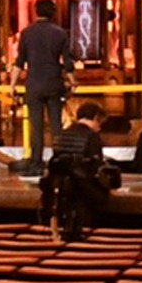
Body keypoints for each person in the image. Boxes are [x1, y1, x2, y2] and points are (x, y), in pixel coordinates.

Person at [40, 100, 118, 242]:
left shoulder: (61, 135)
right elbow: (96, 170)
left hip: (57, 187)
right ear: (95, 118)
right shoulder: (92, 137)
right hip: (81, 189)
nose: (99, 127)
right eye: (99, 122)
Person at [9, 0, 73, 169]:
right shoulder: (60, 33)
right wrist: (73, 81)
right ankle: (59, 159)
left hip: (34, 84)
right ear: (53, 12)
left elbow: (19, 62)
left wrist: (12, 86)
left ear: (35, 11)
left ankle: (36, 160)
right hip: (54, 83)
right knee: (56, 125)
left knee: (35, 125)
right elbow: (67, 62)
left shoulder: (27, 33)